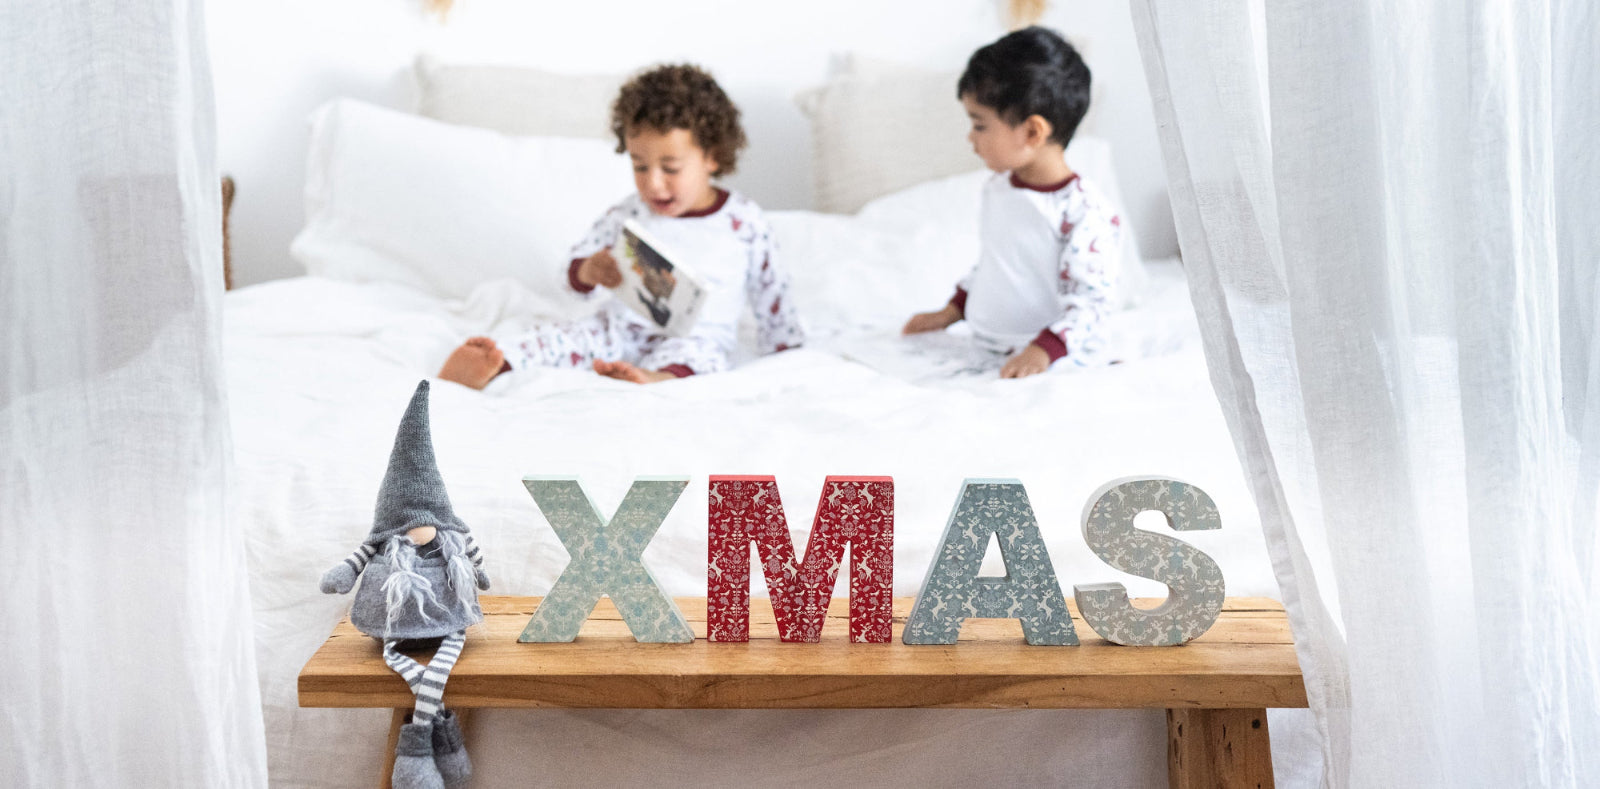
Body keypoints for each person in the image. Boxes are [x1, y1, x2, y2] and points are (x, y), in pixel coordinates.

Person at [439, 64, 803, 387]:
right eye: (640, 166)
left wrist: (786, 351)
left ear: (713, 156)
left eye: (670, 168)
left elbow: (772, 295)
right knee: (568, 336)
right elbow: (572, 275)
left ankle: (657, 378)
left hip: (695, 337)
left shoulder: (743, 222)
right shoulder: (628, 214)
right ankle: (500, 361)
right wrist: (589, 270)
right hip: (620, 329)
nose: (653, 183)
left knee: (701, 358)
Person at [902, 26, 1121, 378]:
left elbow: (1092, 302)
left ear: (1032, 132)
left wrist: (1044, 350)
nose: (970, 138)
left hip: (1058, 356)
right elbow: (996, 265)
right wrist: (951, 312)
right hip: (992, 349)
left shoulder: (1084, 211)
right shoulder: (998, 188)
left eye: (980, 125)